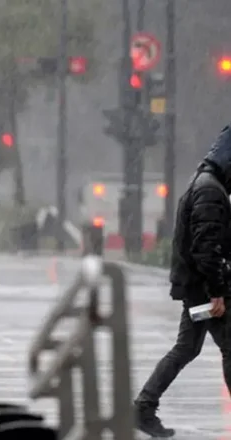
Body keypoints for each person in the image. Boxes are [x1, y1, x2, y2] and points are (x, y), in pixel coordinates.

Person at [133, 125, 231, 438]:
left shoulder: (202, 183)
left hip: (196, 285)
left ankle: (144, 407)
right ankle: (143, 407)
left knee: (186, 348)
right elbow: (207, 249)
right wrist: (218, 291)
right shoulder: (210, 190)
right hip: (204, 288)